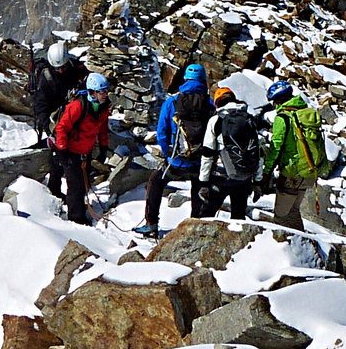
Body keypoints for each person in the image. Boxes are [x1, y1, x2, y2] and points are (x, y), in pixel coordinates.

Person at [140, 63, 212, 237]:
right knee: (198, 187)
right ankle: (195, 226)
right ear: (203, 80)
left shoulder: (172, 102)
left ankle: (151, 225)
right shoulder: (210, 104)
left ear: (185, 79)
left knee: (156, 182)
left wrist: (169, 155)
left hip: (177, 162)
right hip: (200, 163)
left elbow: (161, 133)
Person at [49, 72, 113, 225]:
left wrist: (103, 146)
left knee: (83, 182)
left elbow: (102, 127)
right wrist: (63, 150)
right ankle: (76, 217)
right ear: (92, 92)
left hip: (85, 150)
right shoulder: (77, 106)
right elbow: (62, 128)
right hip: (70, 151)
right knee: (76, 184)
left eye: (106, 91)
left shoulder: (102, 108)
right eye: (102, 91)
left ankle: (77, 207)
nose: (105, 94)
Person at [262, 79, 327, 229]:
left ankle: (290, 249)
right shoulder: (305, 113)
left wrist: (266, 172)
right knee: (292, 211)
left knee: (281, 217)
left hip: (292, 174)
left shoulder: (283, 118)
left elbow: (275, 148)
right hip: (309, 172)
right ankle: (304, 247)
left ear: (278, 101)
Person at [195, 86, 262, 221]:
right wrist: (258, 182)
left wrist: (203, 182)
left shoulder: (216, 120)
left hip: (221, 177)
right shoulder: (249, 119)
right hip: (244, 178)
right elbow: (257, 152)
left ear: (217, 103)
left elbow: (208, 153)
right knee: (238, 218)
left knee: (206, 216)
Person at [28, 40, 88, 144]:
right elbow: (42, 105)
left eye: (63, 66)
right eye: (57, 68)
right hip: (55, 110)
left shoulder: (76, 68)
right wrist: (49, 130)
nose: (61, 70)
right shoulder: (46, 78)